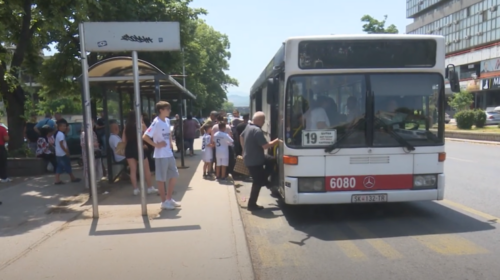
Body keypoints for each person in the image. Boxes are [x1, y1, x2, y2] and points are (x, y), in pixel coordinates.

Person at [142, 101, 181, 210]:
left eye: (169, 109)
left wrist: (170, 142)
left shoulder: (167, 121)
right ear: (161, 110)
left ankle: (169, 198)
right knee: (161, 178)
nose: (169, 111)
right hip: (160, 155)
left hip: (168, 153)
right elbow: (145, 136)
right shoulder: (156, 122)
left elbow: (169, 133)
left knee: (174, 175)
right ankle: (163, 202)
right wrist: (156, 145)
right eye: (167, 109)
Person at [240, 112, 281, 211]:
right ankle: (252, 204)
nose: (263, 122)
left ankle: (266, 181)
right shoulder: (257, 131)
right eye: (263, 120)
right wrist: (278, 140)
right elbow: (265, 146)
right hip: (255, 161)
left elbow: (241, 136)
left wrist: (244, 149)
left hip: (251, 157)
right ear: (258, 120)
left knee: (271, 160)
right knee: (257, 183)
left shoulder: (248, 127)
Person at [122, 111, 157, 196]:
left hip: (129, 149)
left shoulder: (126, 127)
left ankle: (135, 189)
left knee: (133, 170)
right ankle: (149, 188)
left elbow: (123, 140)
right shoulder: (141, 126)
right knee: (146, 169)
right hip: (139, 148)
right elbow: (148, 135)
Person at [54, 119, 80, 185]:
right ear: (59, 127)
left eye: (65, 126)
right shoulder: (61, 135)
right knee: (67, 165)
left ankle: (57, 180)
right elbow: (61, 144)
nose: (64, 127)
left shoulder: (58, 134)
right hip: (62, 153)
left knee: (60, 166)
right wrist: (66, 151)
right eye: (63, 126)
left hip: (59, 153)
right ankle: (72, 178)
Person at [81, 124, 103, 189]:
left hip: (95, 153)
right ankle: (88, 185)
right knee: (88, 169)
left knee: (96, 168)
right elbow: (83, 144)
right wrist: (94, 144)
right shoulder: (84, 133)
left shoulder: (93, 132)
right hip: (88, 155)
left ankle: (95, 182)